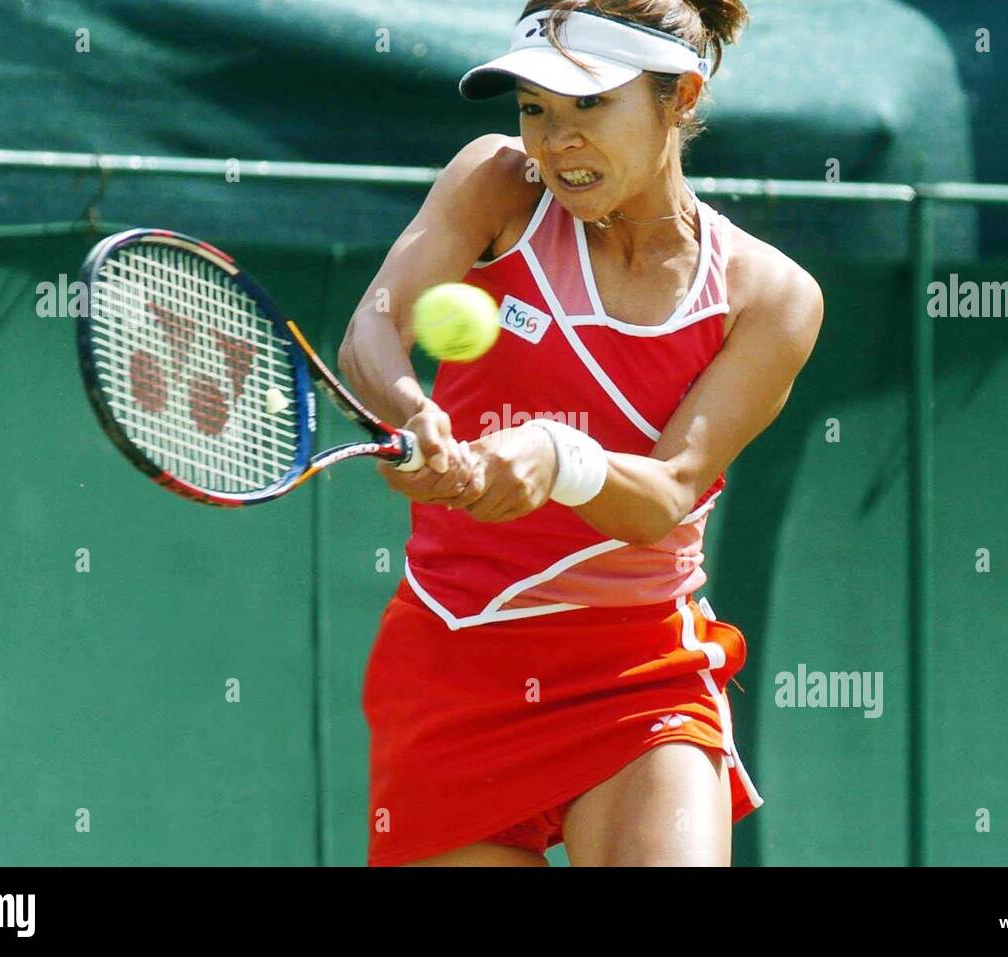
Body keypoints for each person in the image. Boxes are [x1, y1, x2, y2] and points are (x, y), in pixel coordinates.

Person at [338, 0, 823, 866]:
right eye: (535, 110)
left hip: (636, 673)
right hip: (454, 659)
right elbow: (372, 330)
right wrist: (417, 414)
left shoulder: (771, 298)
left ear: (679, 96)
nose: (555, 141)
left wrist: (555, 456)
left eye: (589, 105)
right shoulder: (495, 182)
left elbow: (668, 492)